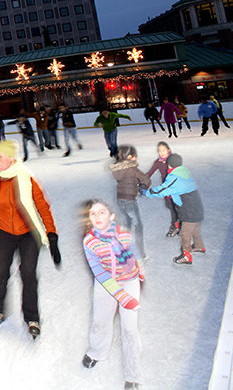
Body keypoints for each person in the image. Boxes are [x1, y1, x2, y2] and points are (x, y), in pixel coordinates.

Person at [0, 139, 60, 337]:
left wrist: (51, 234)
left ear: (11, 157)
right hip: (4, 231)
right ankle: (0, 308)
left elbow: (42, 205)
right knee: (0, 272)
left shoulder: (26, 177)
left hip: (29, 233)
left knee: (27, 274)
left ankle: (32, 317)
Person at [81, 199, 144, 389]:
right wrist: (123, 298)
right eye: (93, 213)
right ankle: (96, 351)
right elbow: (99, 272)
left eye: (102, 212)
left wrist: (140, 269)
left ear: (111, 216)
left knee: (129, 329)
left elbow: (134, 253)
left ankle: (133, 374)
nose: (97, 217)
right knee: (100, 320)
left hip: (129, 281)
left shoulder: (124, 234)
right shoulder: (90, 242)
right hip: (105, 282)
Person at [144, 153, 205, 265]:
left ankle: (186, 256)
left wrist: (147, 192)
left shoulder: (174, 178)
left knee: (185, 234)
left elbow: (162, 190)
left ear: (170, 166)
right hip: (197, 208)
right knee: (195, 229)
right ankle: (198, 246)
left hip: (189, 211)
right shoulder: (185, 173)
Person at [108, 145, 151, 259]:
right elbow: (146, 180)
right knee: (138, 226)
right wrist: (142, 185)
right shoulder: (132, 169)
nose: (136, 158)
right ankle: (140, 253)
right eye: (135, 156)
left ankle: (124, 249)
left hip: (120, 199)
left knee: (127, 224)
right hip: (129, 200)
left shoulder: (117, 169)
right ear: (130, 157)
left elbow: (124, 178)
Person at [146, 141, 181, 238]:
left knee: (175, 208)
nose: (162, 152)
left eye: (164, 150)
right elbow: (149, 173)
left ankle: (176, 226)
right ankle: (176, 224)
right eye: (159, 151)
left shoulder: (173, 160)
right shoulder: (158, 162)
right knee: (171, 207)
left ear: (168, 150)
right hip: (166, 189)